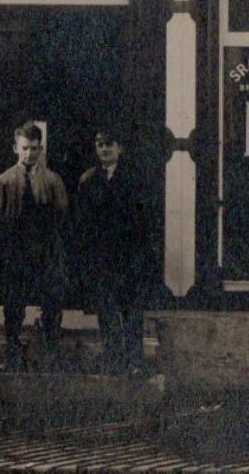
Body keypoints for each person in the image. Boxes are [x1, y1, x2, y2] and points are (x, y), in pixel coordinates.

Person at [0, 122, 69, 371]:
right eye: (24, 148)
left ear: (40, 149)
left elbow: (62, 215)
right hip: (16, 253)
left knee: (51, 303)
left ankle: (51, 353)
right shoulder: (3, 182)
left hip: (45, 252)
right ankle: (13, 350)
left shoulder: (53, 181)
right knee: (14, 304)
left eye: (34, 148)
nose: (29, 154)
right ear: (15, 148)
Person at [73, 127, 155, 375]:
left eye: (110, 144)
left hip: (129, 257)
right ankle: (113, 359)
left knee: (131, 311)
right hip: (102, 258)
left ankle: (134, 361)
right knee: (106, 310)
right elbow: (82, 222)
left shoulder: (134, 179)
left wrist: (140, 255)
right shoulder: (88, 180)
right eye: (100, 144)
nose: (105, 149)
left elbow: (144, 220)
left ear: (120, 148)